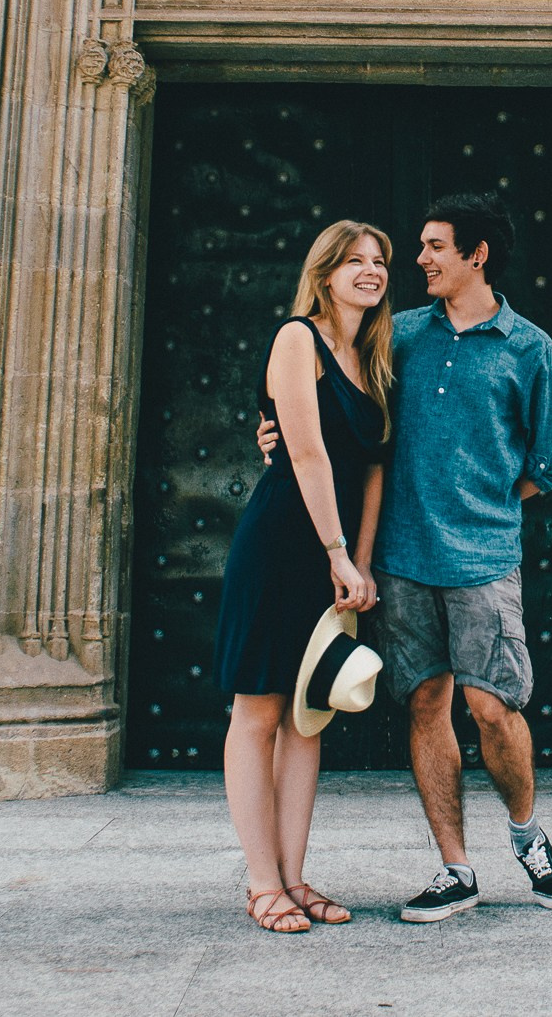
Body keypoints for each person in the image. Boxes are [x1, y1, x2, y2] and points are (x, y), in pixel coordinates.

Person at [261, 191, 552, 922]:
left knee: (492, 707)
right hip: (400, 560)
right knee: (428, 704)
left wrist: (489, 502)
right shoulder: (396, 335)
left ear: (477, 254)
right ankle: (455, 867)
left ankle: (528, 836)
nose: (420, 258)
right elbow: (334, 405)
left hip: (484, 557)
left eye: (435, 246)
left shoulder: (530, 347)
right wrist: (274, 432)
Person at [215, 220, 394, 934]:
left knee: (307, 716)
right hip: (286, 545)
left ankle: (295, 875)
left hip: (338, 555)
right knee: (257, 711)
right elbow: (308, 454)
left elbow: (375, 469)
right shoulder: (299, 338)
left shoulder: (373, 359)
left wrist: (364, 561)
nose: (370, 270)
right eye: (354, 260)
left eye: (379, 260)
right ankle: (262, 883)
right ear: (324, 273)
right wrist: (335, 551)